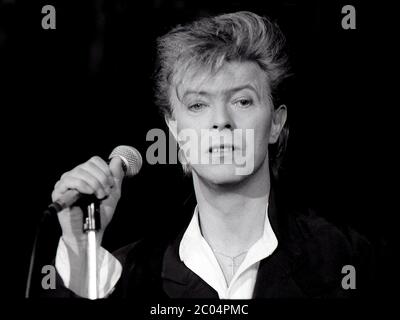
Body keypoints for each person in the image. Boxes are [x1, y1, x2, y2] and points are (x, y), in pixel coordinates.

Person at [46, 11, 374, 299]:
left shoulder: (349, 259)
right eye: (198, 105)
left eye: (242, 101)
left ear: (275, 123)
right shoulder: (126, 275)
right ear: (175, 131)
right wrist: (81, 250)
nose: (221, 121)